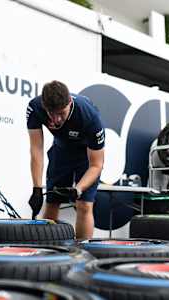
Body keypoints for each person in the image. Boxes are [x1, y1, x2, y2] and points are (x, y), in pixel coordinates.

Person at [26, 80, 105, 239]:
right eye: (51, 113)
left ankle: (83, 251)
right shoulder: (35, 107)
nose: (56, 120)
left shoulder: (89, 116)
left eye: (61, 113)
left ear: (69, 102)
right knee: (52, 201)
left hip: (86, 155)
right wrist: (36, 188)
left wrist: (78, 189)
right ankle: (47, 250)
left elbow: (97, 164)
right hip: (61, 151)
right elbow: (36, 150)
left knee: (83, 205)